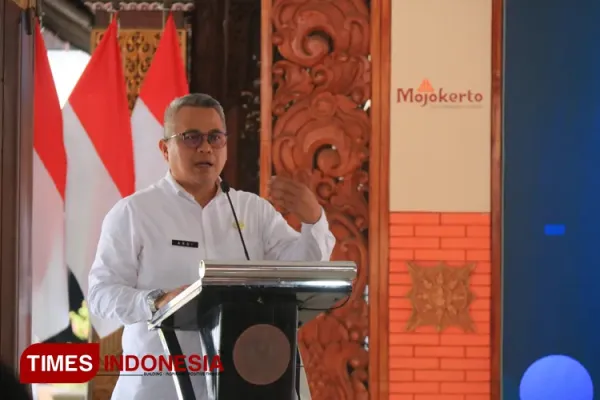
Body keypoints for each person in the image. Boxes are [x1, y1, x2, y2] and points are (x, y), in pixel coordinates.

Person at [87, 93, 335, 399]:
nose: (205, 147)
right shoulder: (134, 213)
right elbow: (101, 295)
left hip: (243, 386)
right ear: (165, 149)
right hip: (157, 389)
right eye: (191, 137)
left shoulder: (252, 211)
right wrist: (156, 302)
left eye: (215, 138)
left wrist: (314, 220)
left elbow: (303, 270)